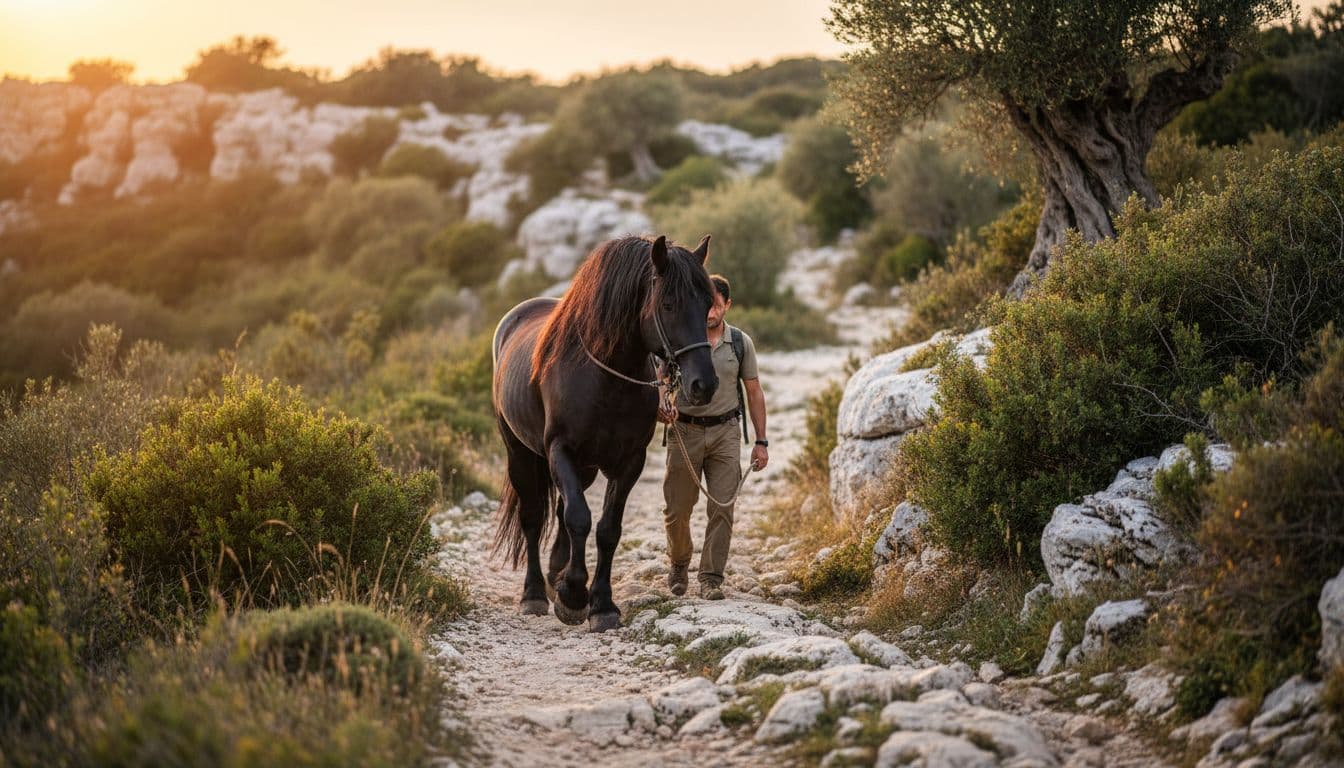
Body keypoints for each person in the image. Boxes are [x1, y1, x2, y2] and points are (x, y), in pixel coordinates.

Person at [659, 274, 769, 600]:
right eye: (705, 305)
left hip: (726, 432)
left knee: (723, 507)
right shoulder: (679, 339)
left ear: (727, 306)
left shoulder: (739, 342)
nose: (709, 312)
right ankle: (679, 562)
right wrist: (662, 403)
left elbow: (754, 391)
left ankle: (711, 578)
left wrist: (761, 442)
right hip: (684, 431)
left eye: (716, 305)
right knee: (677, 510)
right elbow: (661, 382)